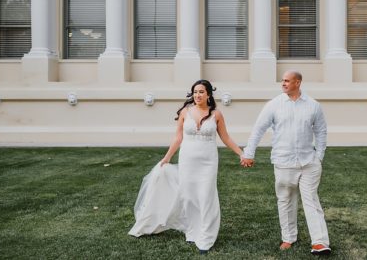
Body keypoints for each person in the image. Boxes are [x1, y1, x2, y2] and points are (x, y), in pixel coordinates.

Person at [130, 79, 247, 255]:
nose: (197, 95)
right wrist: (167, 158)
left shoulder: (216, 114)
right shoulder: (185, 112)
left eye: (201, 92)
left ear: (208, 94)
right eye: (195, 92)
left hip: (208, 161)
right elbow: (178, 138)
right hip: (188, 160)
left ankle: (206, 238)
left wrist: (241, 153)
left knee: (206, 196)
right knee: (189, 196)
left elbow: (226, 138)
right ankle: (193, 230)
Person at [242, 70, 331, 255]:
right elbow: (258, 129)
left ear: (297, 83)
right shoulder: (273, 105)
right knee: (285, 200)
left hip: (309, 162)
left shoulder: (313, 105)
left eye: (287, 81)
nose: (283, 83)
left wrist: (319, 156)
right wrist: (249, 153)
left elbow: (321, 131)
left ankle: (320, 242)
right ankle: (288, 237)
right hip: (283, 162)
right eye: (282, 80)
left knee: (311, 200)